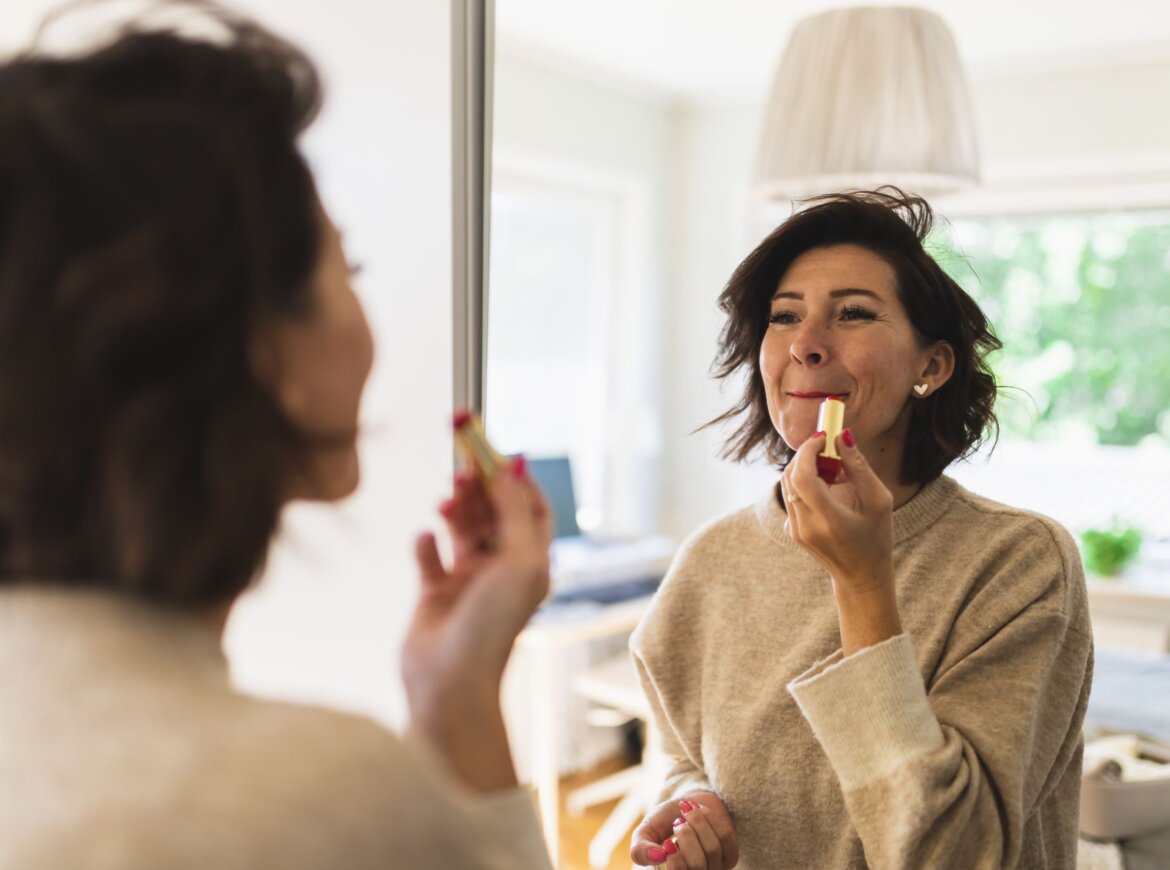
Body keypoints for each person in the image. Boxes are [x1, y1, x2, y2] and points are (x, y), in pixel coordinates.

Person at [0, 5, 553, 869]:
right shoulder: (318, 794)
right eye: (349, 265)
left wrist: (449, 693)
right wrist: (466, 714)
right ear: (263, 348)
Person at [629, 189, 1093, 869]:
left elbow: (953, 853)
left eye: (852, 313)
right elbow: (680, 751)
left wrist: (864, 582)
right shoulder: (710, 560)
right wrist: (688, 802)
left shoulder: (1020, 563)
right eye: (785, 316)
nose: (807, 345)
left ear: (931, 367)